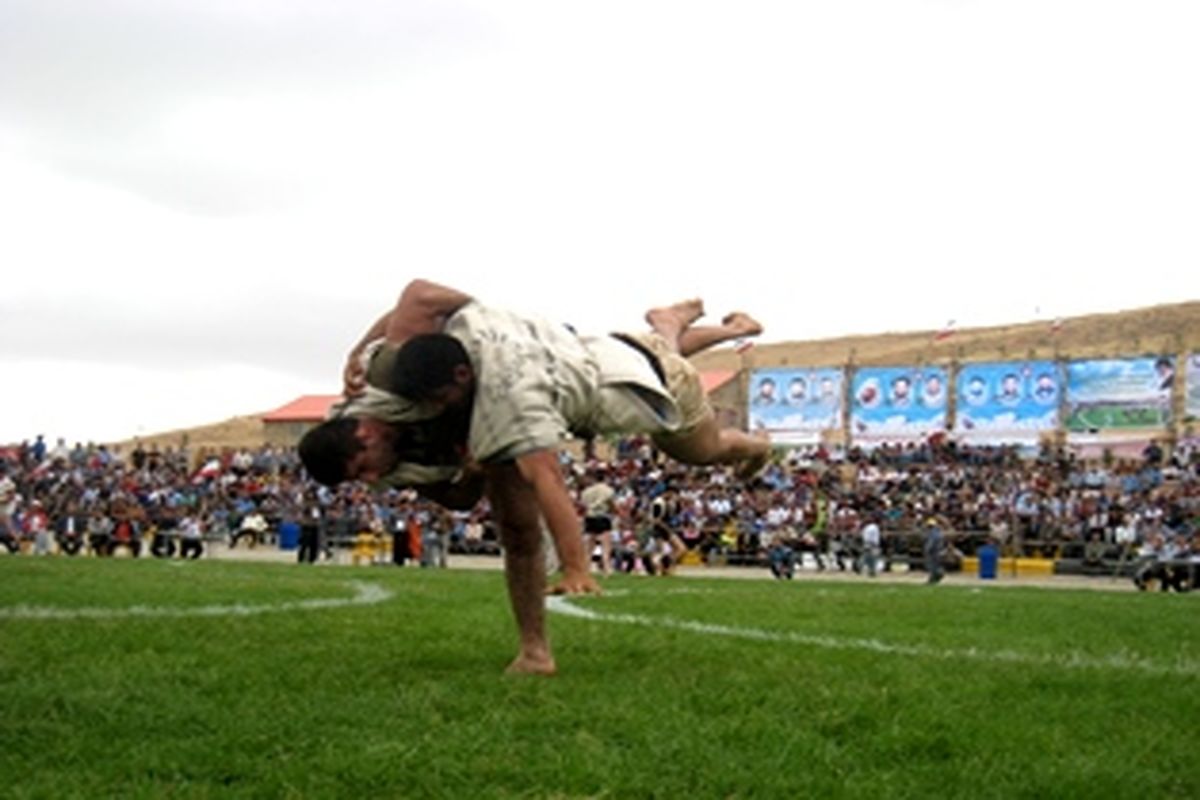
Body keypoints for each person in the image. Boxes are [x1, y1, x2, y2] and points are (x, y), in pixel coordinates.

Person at [299, 279, 768, 675]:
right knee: (517, 527)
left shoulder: (508, 389)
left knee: (704, 446)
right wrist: (473, 472)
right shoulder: (382, 385)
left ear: (367, 431)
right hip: (584, 350)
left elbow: (547, 477)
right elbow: (459, 499)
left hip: (646, 383)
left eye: (363, 467)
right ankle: (534, 651)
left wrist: (576, 565)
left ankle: (753, 441)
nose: (369, 479)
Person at [579, 468, 616, 577]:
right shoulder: (608, 490)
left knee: (589, 546)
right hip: (602, 517)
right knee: (606, 546)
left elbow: (583, 504)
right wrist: (614, 511)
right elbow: (611, 504)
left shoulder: (586, 491)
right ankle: (607, 569)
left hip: (589, 517)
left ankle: (585, 569)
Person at [923, 516, 945, 584]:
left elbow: (931, 543)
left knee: (933, 565)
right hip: (938, 550)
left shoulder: (933, 533)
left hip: (933, 551)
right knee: (936, 565)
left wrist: (926, 550)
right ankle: (935, 577)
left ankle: (934, 578)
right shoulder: (938, 532)